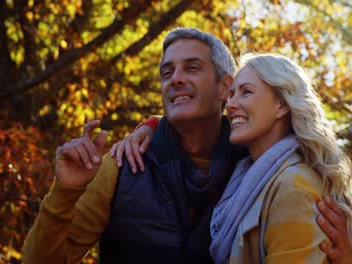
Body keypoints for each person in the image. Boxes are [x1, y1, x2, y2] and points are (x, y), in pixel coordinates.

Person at [23, 27, 244, 263]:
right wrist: (65, 192)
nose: (176, 79)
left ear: (224, 88)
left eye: (192, 67)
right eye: (167, 72)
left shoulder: (254, 162)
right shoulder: (119, 165)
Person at [113, 53, 352, 263]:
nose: (231, 104)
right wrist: (151, 126)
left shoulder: (294, 187)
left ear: (282, 105)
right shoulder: (246, 171)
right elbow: (194, 123)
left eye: (246, 92)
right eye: (231, 94)